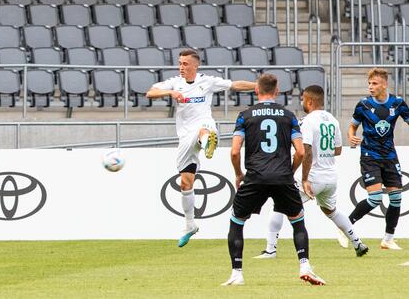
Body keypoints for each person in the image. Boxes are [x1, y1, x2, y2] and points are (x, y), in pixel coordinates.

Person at [222, 74, 325, 286]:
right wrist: (289, 171)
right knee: (297, 222)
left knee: (237, 222)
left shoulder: (244, 115)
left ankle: (237, 273)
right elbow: (300, 152)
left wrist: (239, 173)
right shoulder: (289, 116)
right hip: (282, 177)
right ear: (276, 91)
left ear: (256, 91)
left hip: (255, 177)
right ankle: (305, 265)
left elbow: (234, 152)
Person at [146, 49, 255, 247]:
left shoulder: (207, 81)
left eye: (185, 64)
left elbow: (234, 85)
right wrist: (169, 92)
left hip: (203, 125)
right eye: (180, 63)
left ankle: (207, 143)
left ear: (196, 66)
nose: (181, 67)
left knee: (203, 130)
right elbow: (150, 92)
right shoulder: (174, 82)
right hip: (185, 136)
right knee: (185, 183)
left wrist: (258, 86)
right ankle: (190, 225)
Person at [255, 85, 368, 259]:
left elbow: (305, 150)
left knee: (279, 205)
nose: (302, 102)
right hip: (330, 177)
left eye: (302, 99)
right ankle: (358, 243)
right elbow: (338, 150)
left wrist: (305, 178)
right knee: (331, 211)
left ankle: (270, 249)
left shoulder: (308, 121)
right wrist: (322, 151)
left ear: (309, 100)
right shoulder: (332, 120)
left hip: (313, 176)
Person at [347, 68, 409, 250]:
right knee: (375, 199)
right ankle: (345, 226)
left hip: (389, 156)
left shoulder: (397, 104)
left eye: (374, 84)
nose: (370, 87)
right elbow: (352, 127)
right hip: (369, 155)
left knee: (396, 198)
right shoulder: (363, 105)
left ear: (384, 85)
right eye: (369, 83)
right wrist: (351, 136)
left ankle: (388, 239)